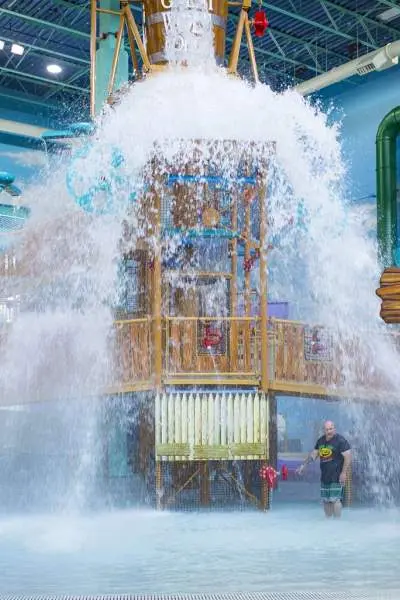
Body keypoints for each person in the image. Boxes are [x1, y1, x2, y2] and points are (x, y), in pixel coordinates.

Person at [297, 420, 351, 518]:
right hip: (325, 476)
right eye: (327, 429)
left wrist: (343, 473)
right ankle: (328, 523)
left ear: (334, 428)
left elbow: (348, 457)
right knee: (326, 500)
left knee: (335, 499)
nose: (329, 431)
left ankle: (338, 522)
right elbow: (313, 455)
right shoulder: (320, 441)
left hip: (336, 475)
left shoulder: (340, 441)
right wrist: (303, 465)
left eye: (331, 429)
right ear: (324, 430)